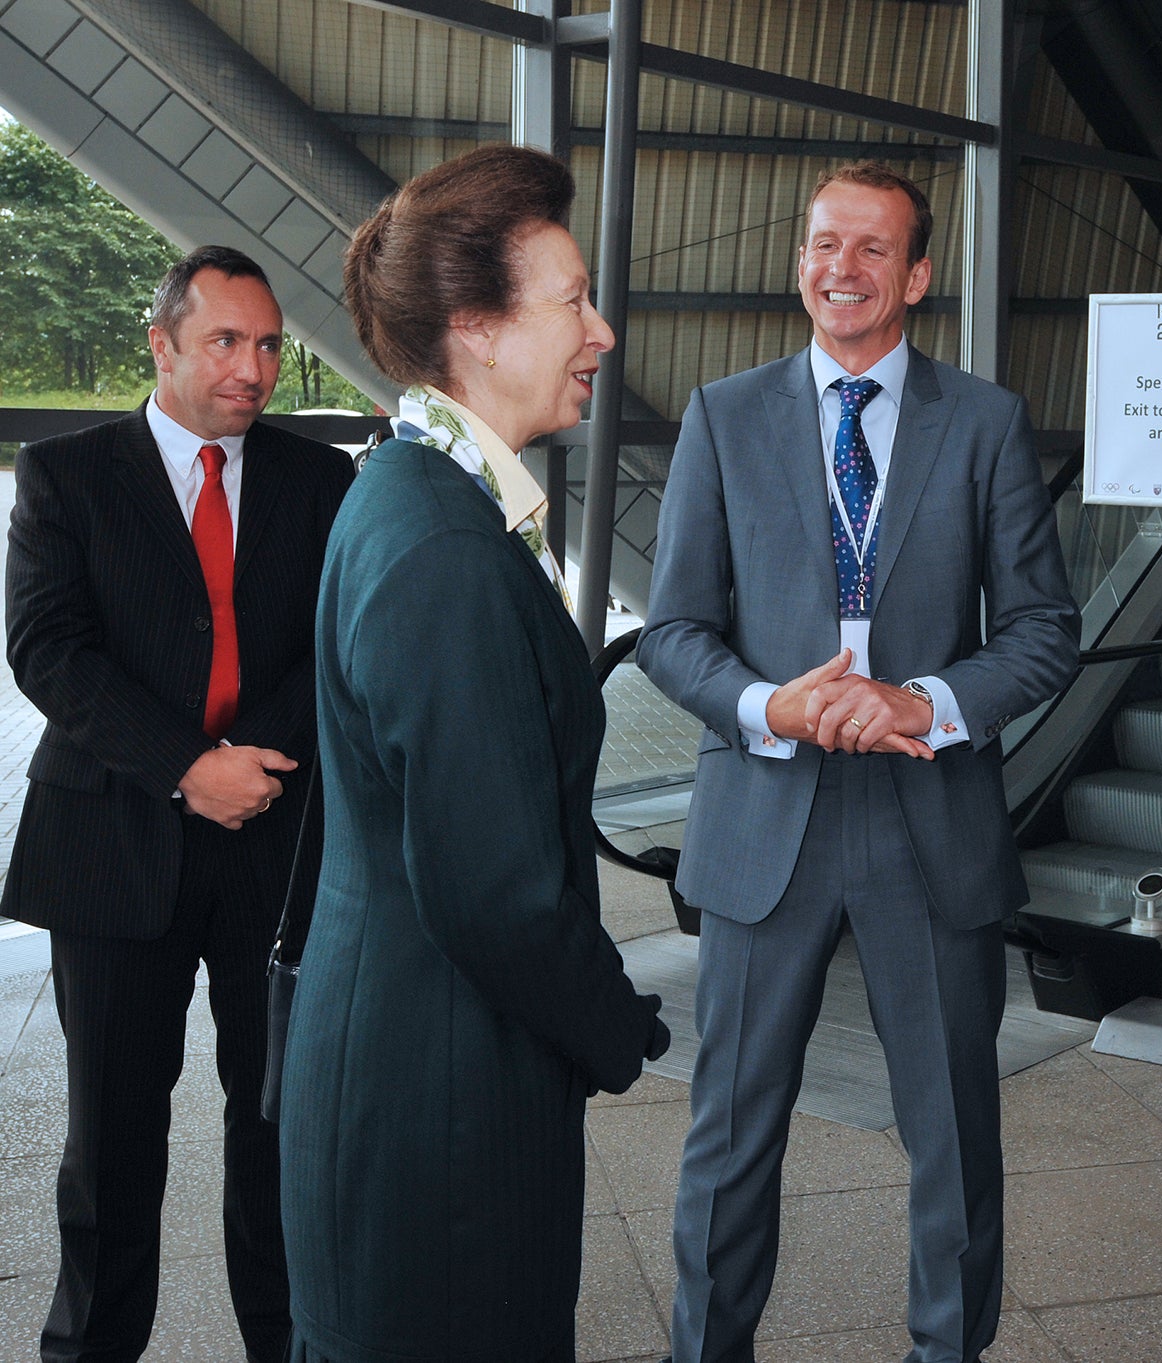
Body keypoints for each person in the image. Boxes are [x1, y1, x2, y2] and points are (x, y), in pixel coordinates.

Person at [637, 162, 1080, 1363]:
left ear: (917, 274)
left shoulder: (982, 420)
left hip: (924, 818)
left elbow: (1044, 629)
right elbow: (670, 633)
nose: (843, 268)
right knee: (728, 1133)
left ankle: (948, 1350)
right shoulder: (722, 416)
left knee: (950, 1131)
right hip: (762, 817)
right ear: (799, 262)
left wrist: (923, 701)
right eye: (824, 244)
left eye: (873, 249)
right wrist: (768, 701)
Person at [277, 145, 671, 1363]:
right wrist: (615, 1026)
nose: (599, 331)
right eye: (571, 301)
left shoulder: (409, 490)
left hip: (405, 1060)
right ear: (479, 330)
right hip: (437, 1096)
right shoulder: (444, 549)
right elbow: (493, 893)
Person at [3, 245, 352, 1363]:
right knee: (110, 1145)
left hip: (278, 841)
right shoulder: (66, 473)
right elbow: (47, 650)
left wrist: (252, 757)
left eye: (267, 345)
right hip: (111, 842)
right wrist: (186, 765)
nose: (252, 369)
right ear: (160, 344)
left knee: (278, 1132)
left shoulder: (321, 479)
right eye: (224, 342)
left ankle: (289, 1348)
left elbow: (330, 645)